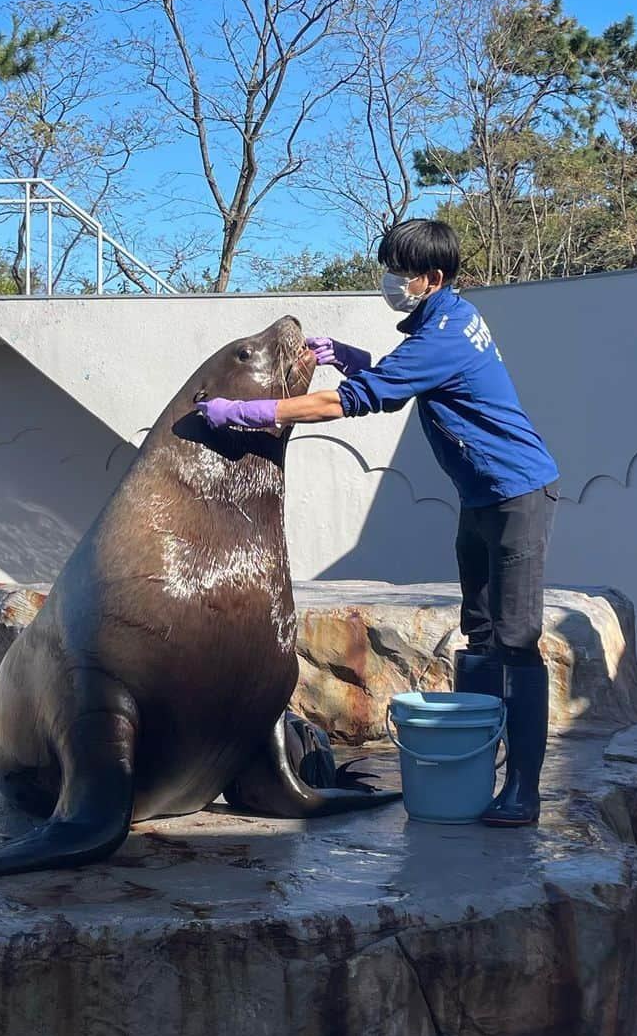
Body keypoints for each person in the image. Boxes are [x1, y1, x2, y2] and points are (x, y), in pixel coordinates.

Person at [196, 219, 560, 827]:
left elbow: (359, 400)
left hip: (516, 496)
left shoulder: (442, 335)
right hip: (481, 495)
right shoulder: (445, 319)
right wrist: (348, 357)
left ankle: (524, 790)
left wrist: (254, 412)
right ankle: (477, 765)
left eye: (399, 270)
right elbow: (401, 378)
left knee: (516, 644)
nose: (389, 281)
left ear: (433, 278)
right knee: (479, 633)